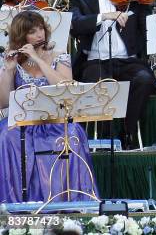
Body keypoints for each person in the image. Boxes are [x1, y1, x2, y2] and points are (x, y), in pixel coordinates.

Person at [0, 11, 97, 203]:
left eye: (41, 29)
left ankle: (70, 200)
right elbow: (3, 102)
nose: (39, 35)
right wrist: (9, 69)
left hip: (56, 120)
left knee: (74, 133)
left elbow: (65, 89)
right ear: (21, 37)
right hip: (23, 122)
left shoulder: (59, 56)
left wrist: (37, 59)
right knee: (5, 135)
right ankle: (14, 202)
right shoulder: (13, 61)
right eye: (32, 32)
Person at [69, 0, 156, 149]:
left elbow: (149, 26)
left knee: (144, 80)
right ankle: (105, 138)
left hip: (128, 61)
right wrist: (104, 16)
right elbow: (76, 24)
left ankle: (128, 131)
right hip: (95, 61)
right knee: (98, 84)